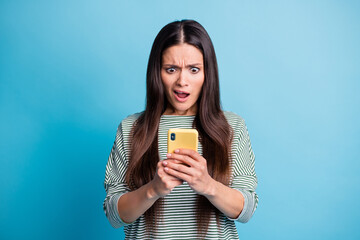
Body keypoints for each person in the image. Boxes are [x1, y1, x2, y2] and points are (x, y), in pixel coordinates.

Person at [103, 19, 258, 239]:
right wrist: (153, 189)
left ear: (207, 74)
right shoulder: (131, 128)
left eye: (194, 69)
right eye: (171, 69)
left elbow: (246, 210)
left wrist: (207, 185)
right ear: (157, 73)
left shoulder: (232, 127)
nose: (182, 81)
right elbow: (113, 215)